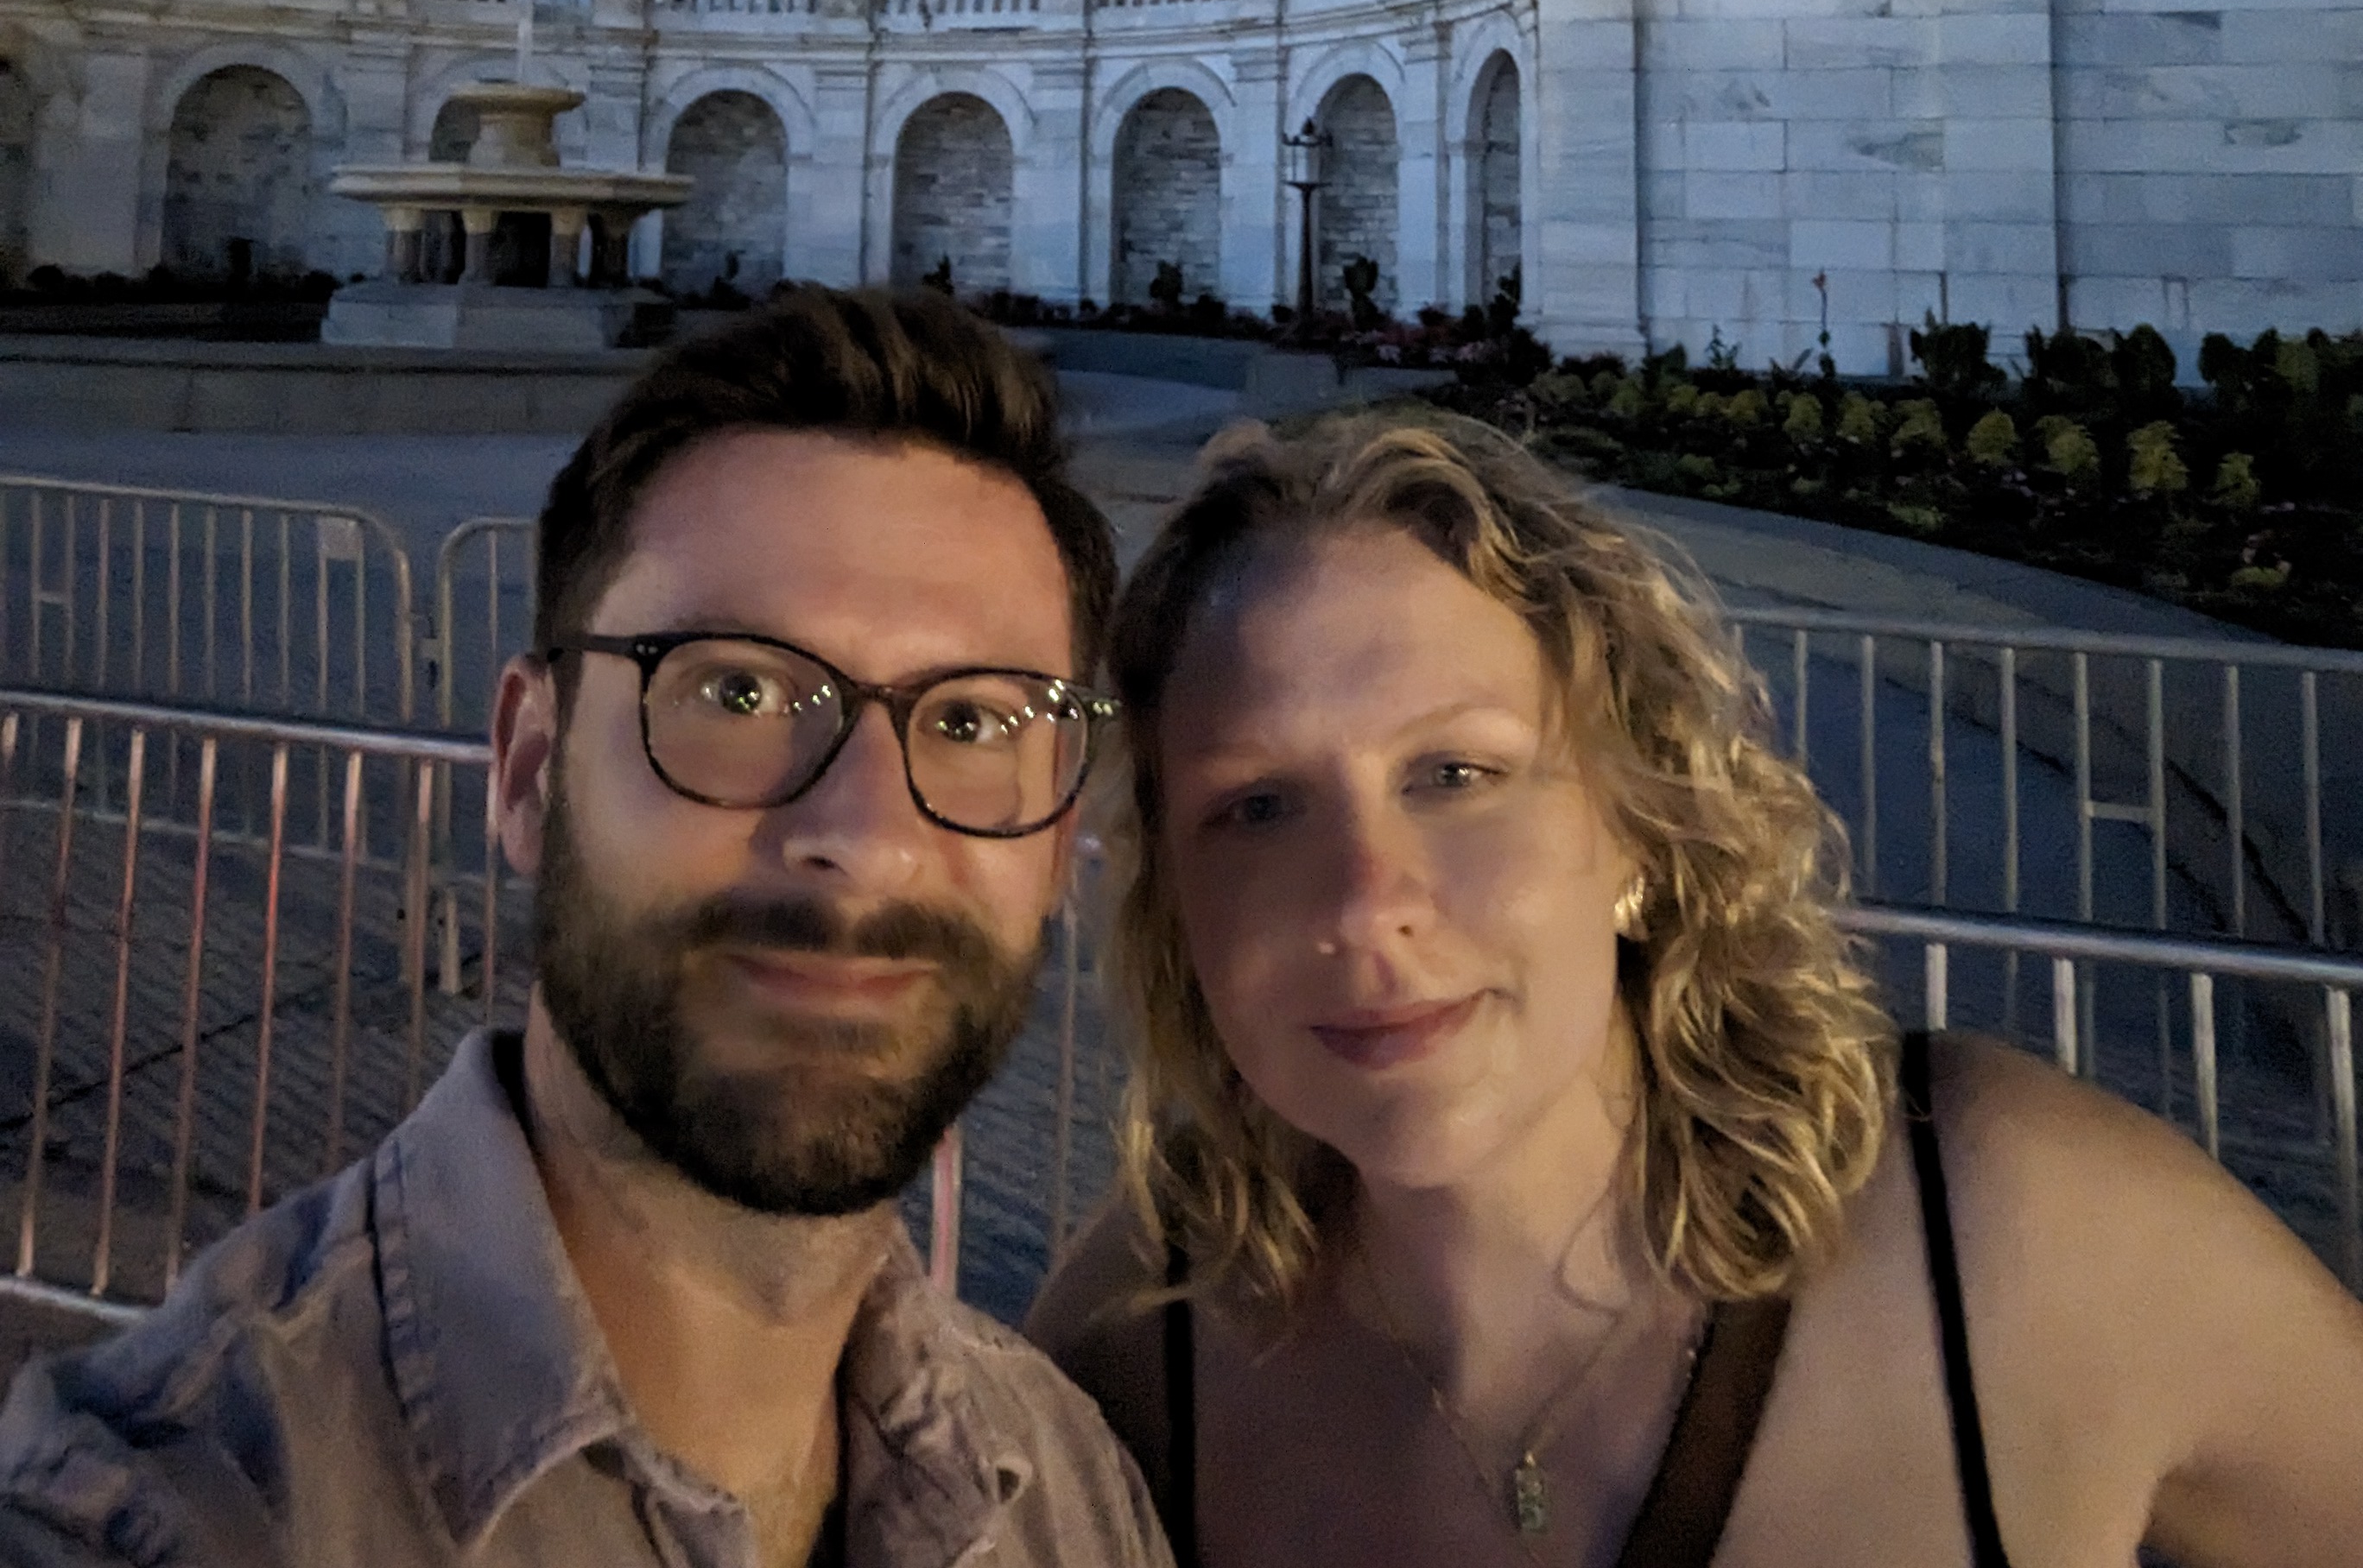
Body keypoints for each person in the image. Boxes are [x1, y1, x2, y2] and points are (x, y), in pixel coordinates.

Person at [1030, 408, 2363, 1566]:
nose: (1367, 897)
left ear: (1638, 833)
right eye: (1258, 806)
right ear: (1181, 919)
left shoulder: (2018, 1233)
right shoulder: (1137, 1332)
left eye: (1458, 774)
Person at [0, 286, 1170, 1568]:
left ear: (1060, 845)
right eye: (737, 689)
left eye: (974, 721)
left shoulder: (1068, 1486)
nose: (867, 834)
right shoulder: (173, 1513)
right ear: (527, 770)